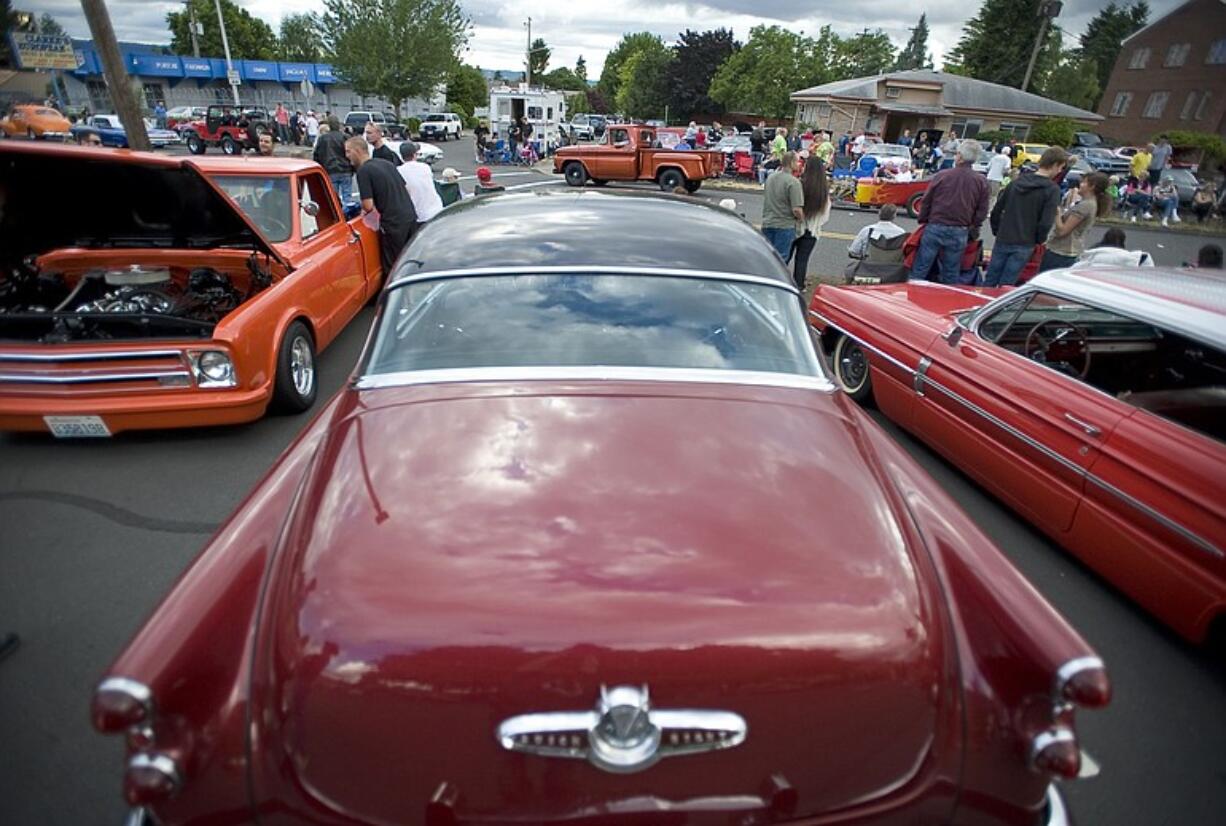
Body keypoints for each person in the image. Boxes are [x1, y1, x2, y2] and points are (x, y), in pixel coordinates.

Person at [984, 146, 1067, 286]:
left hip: (1004, 236)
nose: (1060, 171)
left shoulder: (1016, 183)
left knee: (991, 277)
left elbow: (997, 209)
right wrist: (1038, 240)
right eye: (1061, 168)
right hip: (1025, 241)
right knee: (1007, 283)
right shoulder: (1052, 190)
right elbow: (1046, 222)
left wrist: (997, 230)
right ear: (1055, 165)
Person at [909, 140, 989, 284]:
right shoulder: (981, 181)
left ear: (959, 156)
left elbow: (927, 200)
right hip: (960, 229)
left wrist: (923, 219)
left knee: (921, 267)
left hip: (936, 225)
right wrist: (973, 225)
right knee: (951, 272)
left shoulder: (942, 175)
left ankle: (912, 296)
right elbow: (982, 210)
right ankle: (947, 300)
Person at [345, 136, 417, 276]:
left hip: (393, 223)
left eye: (348, 151)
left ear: (358, 151)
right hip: (409, 216)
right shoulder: (386, 164)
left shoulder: (364, 171)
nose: (346, 156)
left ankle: (395, 294)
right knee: (409, 260)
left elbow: (368, 205)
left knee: (393, 266)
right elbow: (406, 188)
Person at [1040, 171, 1111, 272]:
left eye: (1084, 182)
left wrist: (1057, 214)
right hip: (1068, 251)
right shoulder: (1089, 204)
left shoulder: (1085, 206)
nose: (1080, 185)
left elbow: (1062, 231)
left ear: (1092, 186)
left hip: (1061, 252)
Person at [790, 155, 831, 291]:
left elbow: (794, 205)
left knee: (786, 256)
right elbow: (825, 215)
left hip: (796, 226)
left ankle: (781, 280)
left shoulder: (800, 184)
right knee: (802, 259)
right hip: (812, 230)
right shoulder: (823, 190)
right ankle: (799, 285)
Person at [760, 151, 804, 262]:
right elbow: (796, 209)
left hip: (768, 222)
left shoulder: (770, 178)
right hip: (784, 225)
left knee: (767, 258)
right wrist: (802, 220)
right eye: (797, 161)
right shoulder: (793, 182)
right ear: (791, 162)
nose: (799, 164)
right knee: (780, 261)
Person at [397, 141, 444, 224]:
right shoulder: (425, 167)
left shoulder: (399, 171)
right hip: (437, 209)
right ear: (415, 154)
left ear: (401, 156)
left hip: (419, 214)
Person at [313, 122, 355, 204]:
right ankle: (348, 213)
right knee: (347, 196)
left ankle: (337, 215)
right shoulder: (345, 137)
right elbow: (352, 153)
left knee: (333, 198)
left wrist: (320, 169)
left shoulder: (323, 138)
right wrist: (353, 168)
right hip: (345, 169)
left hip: (330, 169)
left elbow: (317, 155)